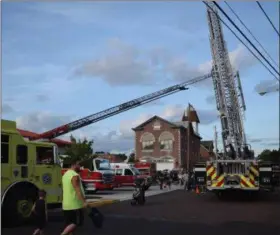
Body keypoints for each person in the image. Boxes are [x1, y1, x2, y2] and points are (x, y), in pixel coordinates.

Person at [61, 159, 88, 235]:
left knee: (69, 226)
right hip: (74, 205)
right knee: (75, 223)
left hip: (66, 204)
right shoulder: (74, 175)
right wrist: (84, 202)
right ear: (74, 165)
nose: (80, 166)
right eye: (78, 164)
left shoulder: (65, 175)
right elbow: (78, 190)